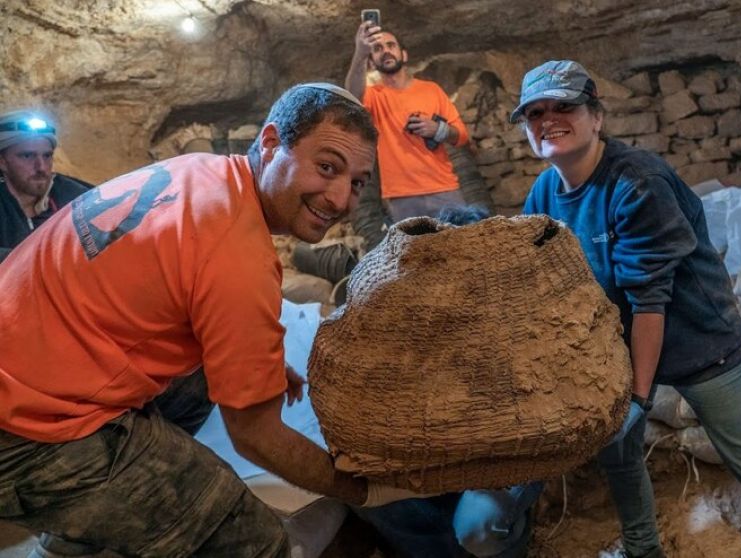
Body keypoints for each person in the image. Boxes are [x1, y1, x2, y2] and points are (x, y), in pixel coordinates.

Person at [0, 82, 427, 558]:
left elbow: (163, 282)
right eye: (326, 167)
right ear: (269, 143)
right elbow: (256, 437)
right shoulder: (238, 254)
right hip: (25, 430)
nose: (340, 198)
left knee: (204, 381)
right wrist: (367, 491)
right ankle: (76, 517)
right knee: (253, 542)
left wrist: (245, 361)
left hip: (29, 355)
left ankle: (79, 530)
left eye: (357, 182)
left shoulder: (199, 171)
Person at [514, 60, 741, 558]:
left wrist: (639, 401)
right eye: (535, 113)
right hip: (615, 347)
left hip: (695, 338)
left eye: (565, 107)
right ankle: (645, 550)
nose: (548, 119)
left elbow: (650, 302)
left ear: (596, 117)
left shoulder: (635, 183)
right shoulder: (544, 193)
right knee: (621, 461)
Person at [349, 205, 543, 558]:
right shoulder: (415, 317)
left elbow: (529, 422)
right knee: (369, 494)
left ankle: (508, 542)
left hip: (508, 453)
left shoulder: (522, 317)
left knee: (479, 521)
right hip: (441, 449)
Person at [345, 19, 470, 223]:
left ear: (404, 54)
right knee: (416, 255)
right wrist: (359, 53)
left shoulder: (431, 90)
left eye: (391, 45)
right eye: (377, 48)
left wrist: (438, 130)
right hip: (401, 198)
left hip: (444, 189)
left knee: (463, 251)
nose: (385, 51)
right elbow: (351, 98)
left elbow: (462, 137)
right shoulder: (373, 96)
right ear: (371, 62)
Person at [0, 110, 93, 263]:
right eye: (27, 156)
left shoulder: (77, 198)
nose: (41, 167)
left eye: (47, 156)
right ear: (2, 161)